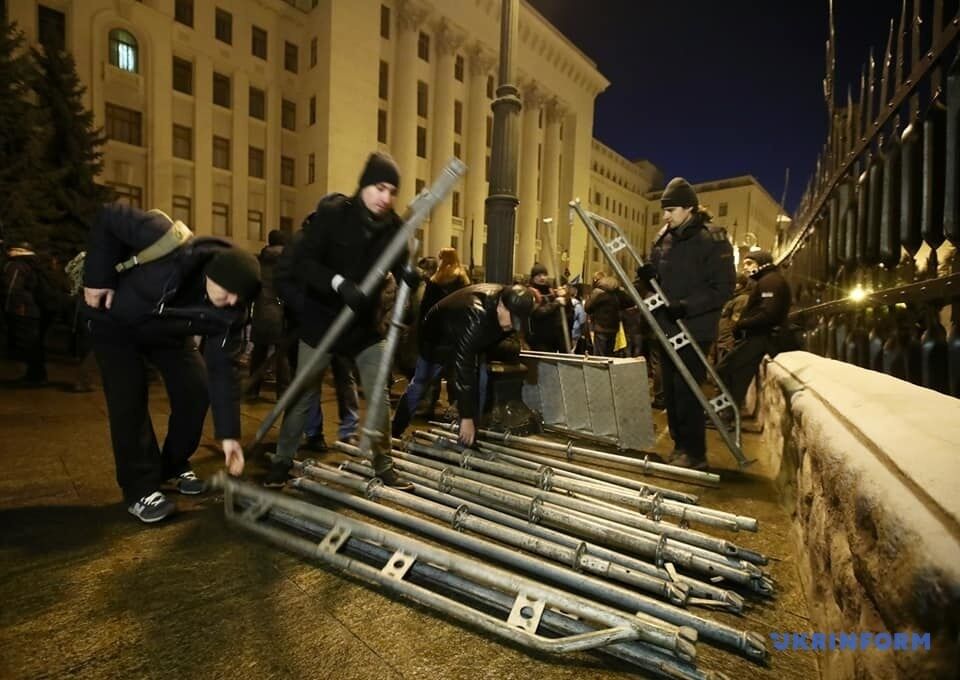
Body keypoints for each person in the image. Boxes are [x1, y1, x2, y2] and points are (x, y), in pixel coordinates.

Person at [82, 205, 261, 523]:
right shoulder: (162, 237)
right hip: (116, 324)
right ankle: (140, 489)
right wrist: (97, 278)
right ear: (212, 273)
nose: (233, 301)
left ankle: (173, 464)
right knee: (128, 401)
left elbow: (224, 371)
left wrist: (230, 435)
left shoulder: (231, 312)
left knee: (197, 389)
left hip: (168, 335)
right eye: (230, 292)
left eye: (240, 298)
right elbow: (107, 216)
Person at [267, 151, 419, 488]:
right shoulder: (333, 215)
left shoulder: (393, 227)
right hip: (322, 322)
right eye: (380, 188)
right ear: (365, 184)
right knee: (303, 393)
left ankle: (384, 465)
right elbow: (304, 264)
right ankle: (282, 461)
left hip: (364, 326)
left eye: (392, 192)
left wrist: (409, 276)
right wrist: (337, 284)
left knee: (377, 392)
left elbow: (401, 265)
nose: (386, 197)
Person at [638, 177, 735, 469]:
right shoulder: (664, 237)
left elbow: (724, 287)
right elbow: (658, 276)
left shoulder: (712, 238)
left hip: (695, 328)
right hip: (666, 327)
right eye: (664, 210)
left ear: (689, 209)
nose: (665, 216)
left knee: (687, 390)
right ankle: (679, 447)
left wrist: (686, 306)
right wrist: (646, 276)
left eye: (672, 210)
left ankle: (694, 453)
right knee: (669, 390)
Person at [391, 283, 535, 445]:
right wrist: (466, 417)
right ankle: (395, 430)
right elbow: (464, 368)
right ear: (501, 305)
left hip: (469, 336)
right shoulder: (475, 316)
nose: (512, 326)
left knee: (480, 382)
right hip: (437, 339)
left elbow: (498, 341)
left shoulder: (505, 307)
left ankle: (467, 441)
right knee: (421, 383)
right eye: (513, 318)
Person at [715, 250, 793, 414]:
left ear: (762, 263)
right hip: (759, 336)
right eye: (744, 264)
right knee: (733, 373)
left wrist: (742, 324)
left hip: (761, 337)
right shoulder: (767, 281)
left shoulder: (770, 283)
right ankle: (725, 413)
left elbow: (768, 312)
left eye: (749, 263)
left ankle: (726, 414)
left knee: (727, 369)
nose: (745, 268)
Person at [2, 242, 57, 385]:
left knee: (29, 344)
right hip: (37, 309)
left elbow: (12, 289)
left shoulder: (16, 265)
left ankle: (36, 377)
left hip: (24, 310)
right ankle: (37, 375)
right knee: (34, 343)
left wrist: (12, 308)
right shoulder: (33, 264)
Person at [246, 229, 290, 400]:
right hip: (280, 314)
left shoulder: (259, 262)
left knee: (258, 353)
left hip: (260, 312)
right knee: (282, 355)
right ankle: (283, 394)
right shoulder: (287, 263)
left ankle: (252, 390)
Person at [527, 263, 570, 352]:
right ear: (533, 277)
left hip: (553, 338)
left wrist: (566, 297)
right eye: (539, 275)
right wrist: (556, 303)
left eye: (544, 275)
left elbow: (567, 312)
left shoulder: (551, 292)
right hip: (538, 338)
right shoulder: (530, 293)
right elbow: (537, 313)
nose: (542, 278)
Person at [714, 273, 752, 364]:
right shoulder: (732, 297)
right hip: (721, 338)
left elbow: (736, 320)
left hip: (728, 340)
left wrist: (730, 339)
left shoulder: (742, 299)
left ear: (740, 285)